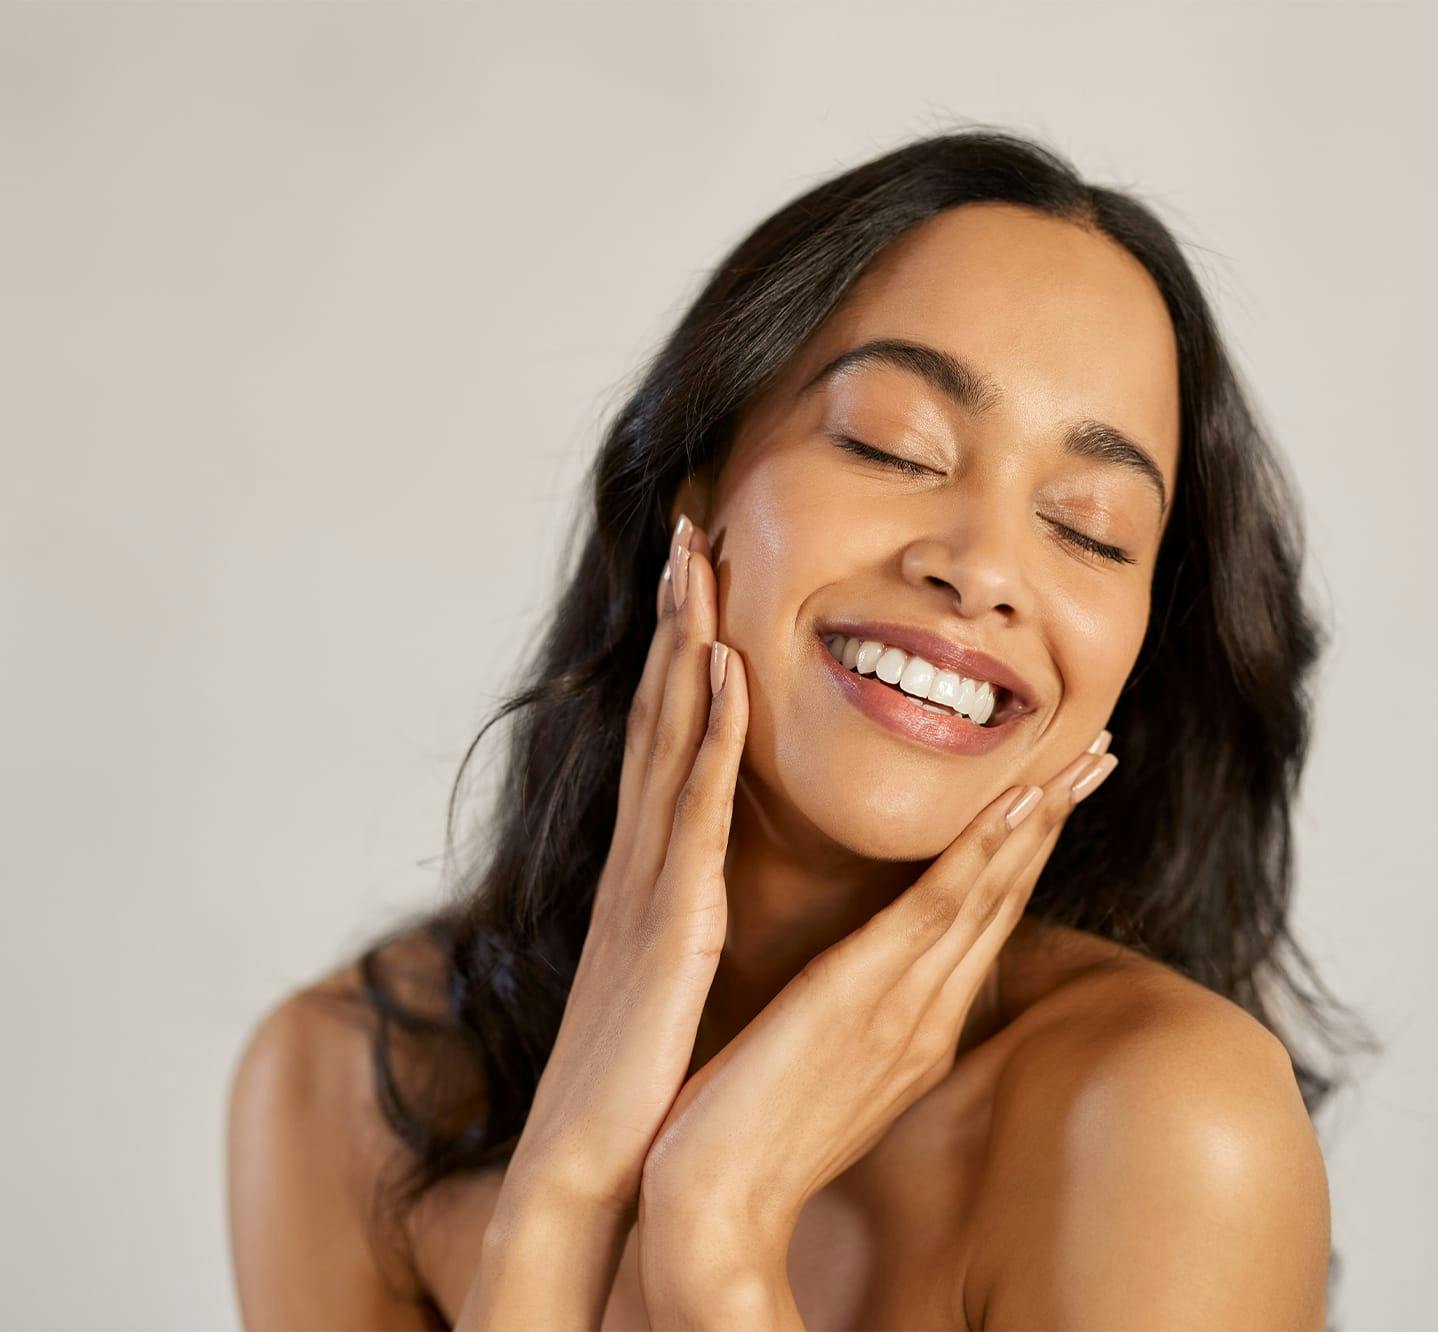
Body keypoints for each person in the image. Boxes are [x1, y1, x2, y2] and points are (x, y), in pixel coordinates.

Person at [226, 127, 1373, 1330]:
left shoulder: (1162, 1123)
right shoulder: (348, 1079)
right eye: (890, 445)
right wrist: (559, 1203)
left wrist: (717, 1238)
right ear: (697, 482)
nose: (983, 569)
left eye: (1088, 530)